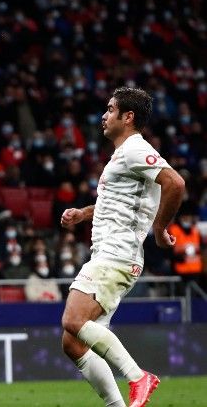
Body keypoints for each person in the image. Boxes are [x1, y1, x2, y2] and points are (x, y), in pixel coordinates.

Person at [60, 87, 185, 407]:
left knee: (73, 320)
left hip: (117, 253)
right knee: (73, 343)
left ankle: (138, 377)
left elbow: (175, 183)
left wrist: (160, 229)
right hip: (111, 253)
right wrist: (84, 213)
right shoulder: (123, 155)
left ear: (128, 117)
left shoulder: (134, 149)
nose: (104, 115)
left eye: (111, 109)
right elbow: (117, 201)